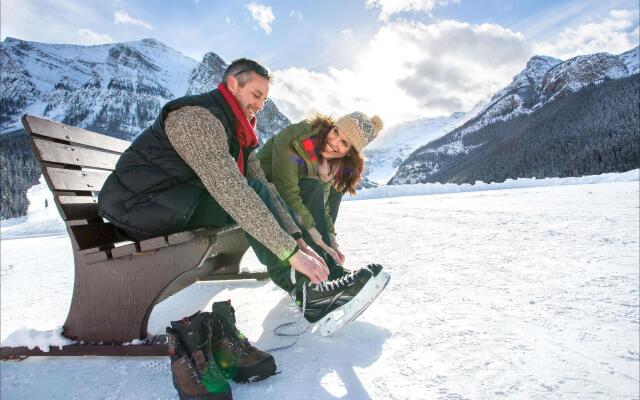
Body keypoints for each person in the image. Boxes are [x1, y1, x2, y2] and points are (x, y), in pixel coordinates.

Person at [97, 58, 377, 397]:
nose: (259, 104)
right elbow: (231, 189)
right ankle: (307, 293)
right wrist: (288, 252)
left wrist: (300, 241)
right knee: (248, 196)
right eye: (255, 95)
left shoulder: (240, 130)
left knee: (259, 191)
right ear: (232, 84)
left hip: (172, 199)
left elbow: (266, 189)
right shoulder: (197, 118)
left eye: (263, 99)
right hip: (138, 207)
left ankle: (320, 284)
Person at [256, 111, 384, 279]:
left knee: (334, 189)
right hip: (262, 192)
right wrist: (318, 240)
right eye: (335, 131)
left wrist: (330, 240)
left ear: (349, 152)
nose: (333, 141)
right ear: (331, 128)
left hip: (289, 200)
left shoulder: (330, 163)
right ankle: (327, 272)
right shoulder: (298, 138)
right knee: (312, 186)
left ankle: (329, 266)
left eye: (344, 143)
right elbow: (288, 192)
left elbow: (322, 205)